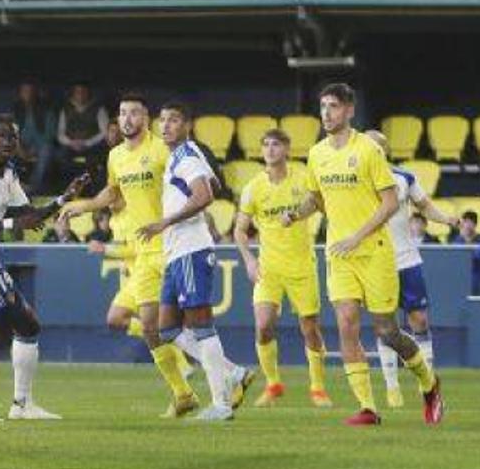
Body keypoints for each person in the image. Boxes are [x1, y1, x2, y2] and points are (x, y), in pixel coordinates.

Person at [62, 93, 250, 417]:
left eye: (134, 113)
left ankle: (206, 393)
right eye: (122, 113)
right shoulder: (117, 156)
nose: (127, 119)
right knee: (160, 329)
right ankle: (211, 382)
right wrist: (81, 205)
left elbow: (206, 185)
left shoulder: (166, 148)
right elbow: (113, 191)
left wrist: (176, 219)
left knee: (179, 324)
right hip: (145, 251)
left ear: (146, 118)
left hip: (173, 245)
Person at [283, 84, 443, 426]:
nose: (326, 113)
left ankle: (429, 384)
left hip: (375, 252)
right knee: (345, 325)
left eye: (334, 106)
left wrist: (357, 235)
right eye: (323, 106)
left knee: (387, 331)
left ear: (350, 110)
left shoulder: (368, 149)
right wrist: (296, 214)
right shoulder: (317, 154)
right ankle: (368, 407)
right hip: (339, 253)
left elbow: (389, 202)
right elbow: (315, 197)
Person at [0, 117, 88, 420]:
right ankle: (21, 404)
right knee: (25, 324)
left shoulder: (9, 172)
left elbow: (28, 214)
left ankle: (20, 404)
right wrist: (11, 223)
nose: (6, 143)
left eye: (11, 138)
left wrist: (64, 198)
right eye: (0, 137)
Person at [145, 100, 253, 421]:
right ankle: (233, 372)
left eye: (173, 120)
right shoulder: (183, 156)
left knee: (202, 326)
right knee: (167, 329)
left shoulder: (187, 156)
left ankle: (221, 404)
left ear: (187, 125)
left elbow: (205, 195)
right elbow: (214, 186)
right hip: (177, 252)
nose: (165, 126)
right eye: (162, 120)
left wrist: (165, 222)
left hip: (192, 250)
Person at [233, 129, 331, 408]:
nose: (270, 149)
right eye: (265, 145)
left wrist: (299, 213)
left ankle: (318, 388)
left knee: (310, 329)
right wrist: (250, 260)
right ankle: (273, 384)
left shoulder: (303, 177)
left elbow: (321, 205)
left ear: (287, 149)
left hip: (301, 266)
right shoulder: (253, 187)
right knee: (263, 326)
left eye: (276, 144)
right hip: (269, 268)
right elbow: (240, 231)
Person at [365, 130, 458, 409]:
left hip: (407, 261)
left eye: (378, 147)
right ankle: (392, 387)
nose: (374, 151)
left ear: (384, 150)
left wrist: (445, 219)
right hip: (376, 262)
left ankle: (424, 381)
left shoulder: (403, 178)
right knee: (385, 327)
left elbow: (425, 206)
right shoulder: (356, 182)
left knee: (419, 321)